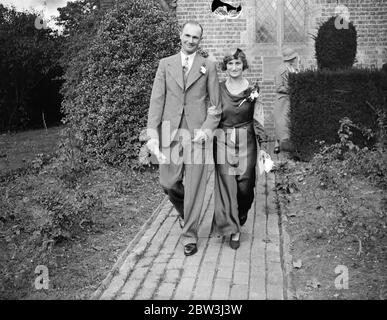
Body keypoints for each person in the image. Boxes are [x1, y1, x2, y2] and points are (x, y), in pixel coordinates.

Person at [146, 21, 222, 256]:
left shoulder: (208, 66)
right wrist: (152, 134)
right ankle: (183, 213)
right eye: (187, 36)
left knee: (195, 189)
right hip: (170, 134)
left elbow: (216, 106)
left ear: (200, 41)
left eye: (195, 38)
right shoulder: (165, 64)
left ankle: (190, 235)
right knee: (168, 183)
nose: (190, 41)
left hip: (197, 136)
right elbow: (157, 101)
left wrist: (207, 128)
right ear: (180, 36)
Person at [211, 48, 262, 250]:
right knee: (227, 185)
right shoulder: (218, 88)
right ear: (225, 66)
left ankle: (240, 216)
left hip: (247, 138)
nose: (234, 67)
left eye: (238, 63)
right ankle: (233, 229)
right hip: (223, 138)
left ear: (244, 66)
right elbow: (212, 113)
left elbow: (258, 117)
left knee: (245, 186)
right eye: (230, 64)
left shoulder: (253, 90)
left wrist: (264, 144)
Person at [273, 47, 299, 154]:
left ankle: (287, 144)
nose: (295, 58)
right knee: (281, 123)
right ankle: (278, 145)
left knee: (289, 123)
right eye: (294, 57)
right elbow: (278, 87)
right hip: (283, 100)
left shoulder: (293, 68)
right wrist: (292, 89)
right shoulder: (280, 69)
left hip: (291, 100)